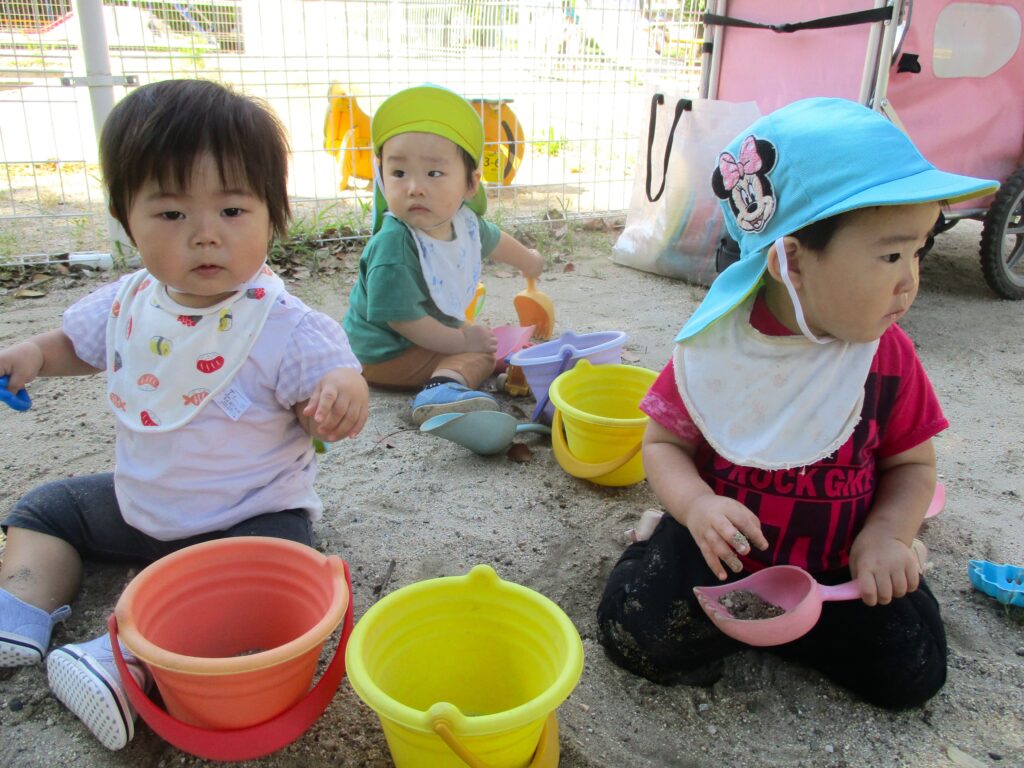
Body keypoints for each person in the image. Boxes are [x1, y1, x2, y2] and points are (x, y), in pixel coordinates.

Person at [0, 79, 369, 749]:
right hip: (143, 506)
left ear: (272, 214)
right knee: (45, 509)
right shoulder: (130, 300)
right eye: (171, 215)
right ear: (125, 217)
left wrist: (339, 401)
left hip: (247, 519)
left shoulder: (284, 327)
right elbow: (80, 346)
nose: (205, 236)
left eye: (232, 210)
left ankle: (122, 663)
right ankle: (20, 604)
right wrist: (31, 353)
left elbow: (332, 383)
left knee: (282, 574)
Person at [597, 97, 998, 709]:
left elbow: (913, 467)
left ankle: (813, 618)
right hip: (722, 556)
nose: (910, 280)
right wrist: (696, 506)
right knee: (636, 638)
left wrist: (889, 536)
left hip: (841, 566)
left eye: (918, 252)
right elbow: (664, 444)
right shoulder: (718, 348)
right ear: (790, 261)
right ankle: (653, 542)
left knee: (912, 671)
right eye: (890, 254)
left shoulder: (885, 357)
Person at [342, 84, 545, 425]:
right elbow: (402, 320)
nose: (414, 187)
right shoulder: (394, 245)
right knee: (477, 349)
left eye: (434, 173)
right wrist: (460, 340)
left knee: (481, 337)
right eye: (398, 173)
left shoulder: (462, 223)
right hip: (383, 352)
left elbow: (493, 240)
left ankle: (471, 364)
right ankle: (441, 390)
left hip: (417, 336)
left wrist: (529, 260)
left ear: (470, 184)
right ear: (381, 177)